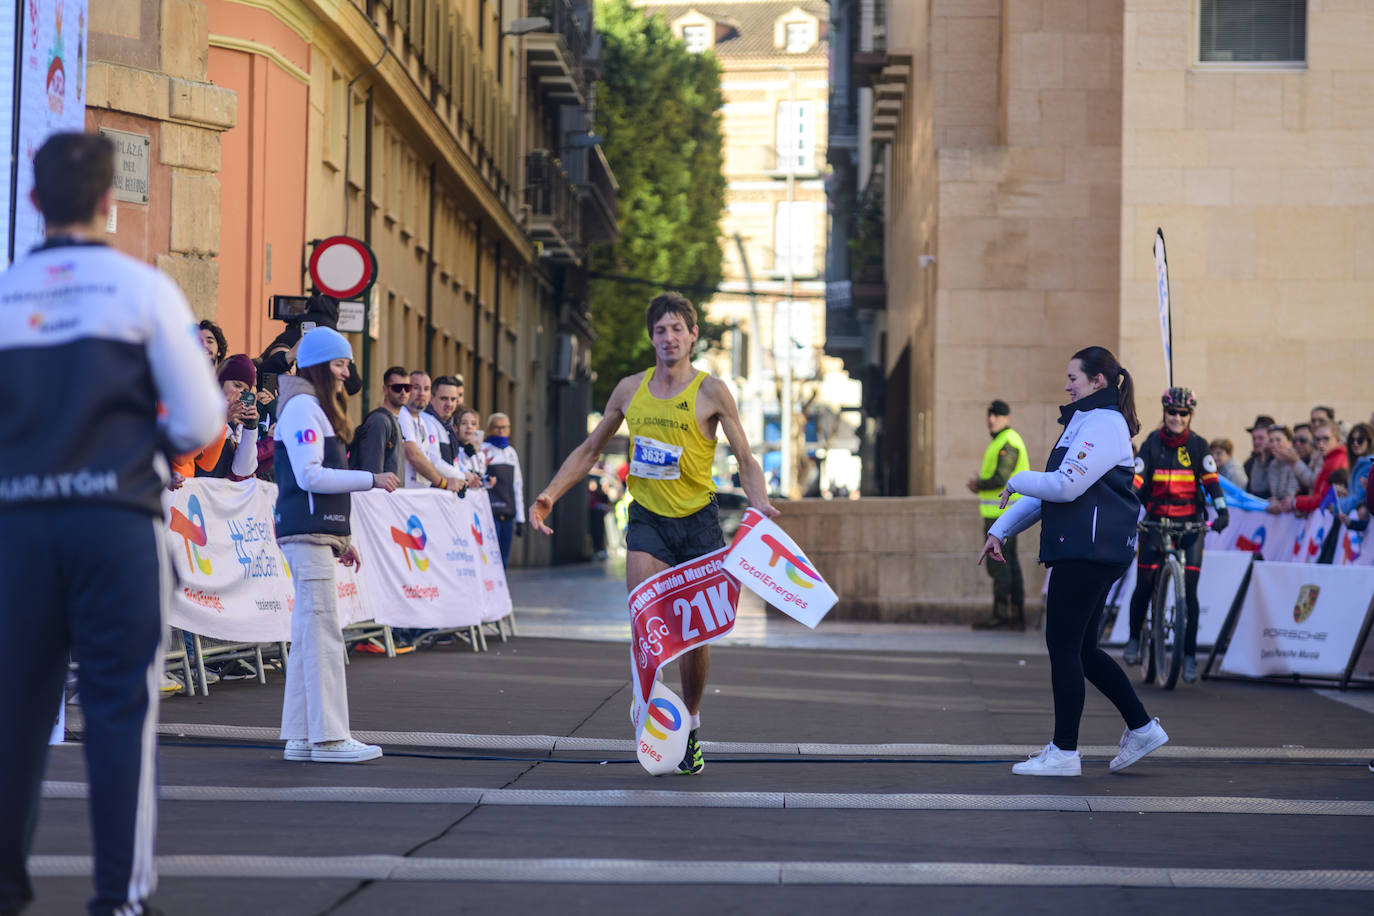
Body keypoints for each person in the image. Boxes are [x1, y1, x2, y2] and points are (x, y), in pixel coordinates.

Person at [0, 132, 226, 916]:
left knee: (12, 712)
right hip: (116, 522)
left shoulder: (5, 294)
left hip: (18, 527)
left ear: (33, 203)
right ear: (109, 202)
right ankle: (116, 899)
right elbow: (200, 419)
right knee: (121, 711)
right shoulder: (143, 291)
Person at [529, 292, 777, 775]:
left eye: (677, 330)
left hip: (699, 521)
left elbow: (746, 457)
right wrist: (550, 494)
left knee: (694, 638)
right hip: (647, 520)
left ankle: (693, 725)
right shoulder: (629, 389)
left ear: (692, 336)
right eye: (660, 330)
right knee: (647, 622)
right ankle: (653, 709)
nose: (668, 338)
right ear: (652, 338)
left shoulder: (712, 391)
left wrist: (760, 503)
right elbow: (590, 448)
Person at [980, 346, 1167, 777]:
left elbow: (1063, 486)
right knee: (1080, 649)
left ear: (1097, 381)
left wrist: (1014, 479)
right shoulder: (1090, 421)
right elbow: (1053, 493)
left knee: (1063, 646)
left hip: (1089, 549)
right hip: (1089, 548)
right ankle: (1140, 727)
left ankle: (1065, 752)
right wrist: (1001, 529)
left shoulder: (1103, 423)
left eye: (1073, 378)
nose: (1066, 384)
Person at [274, 328, 400, 763]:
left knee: (311, 631)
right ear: (323, 365)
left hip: (310, 529)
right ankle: (328, 738)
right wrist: (372, 478)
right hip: (307, 530)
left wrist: (340, 538)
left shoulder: (305, 406)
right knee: (322, 631)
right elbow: (310, 476)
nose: (349, 372)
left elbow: (312, 479)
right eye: (341, 363)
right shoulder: (305, 407)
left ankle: (304, 736)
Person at [1121, 388, 1229, 683]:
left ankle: (1190, 656)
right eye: (1172, 413)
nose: (1177, 418)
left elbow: (1212, 484)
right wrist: (1127, 508)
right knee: (1143, 582)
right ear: (1164, 413)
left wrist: (1222, 512)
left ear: (1190, 416)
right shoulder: (1151, 444)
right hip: (1156, 523)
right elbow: (1138, 481)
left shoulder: (1198, 446)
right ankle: (1133, 638)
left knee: (1189, 593)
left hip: (1190, 526)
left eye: (1183, 414)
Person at [966, 399, 1030, 630]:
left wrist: (978, 484)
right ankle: (1014, 617)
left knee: (1001, 565)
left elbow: (1001, 477)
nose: (991, 419)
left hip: (1004, 515)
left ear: (1007, 418)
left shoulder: (1008, 442)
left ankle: (1005, 616)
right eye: (989, 414)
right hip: (1004, 514)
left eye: (997, 414)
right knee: (1008, 564)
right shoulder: (1000, 441)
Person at [399, 371, 467, 492]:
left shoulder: (422, 421)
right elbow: (415, 456)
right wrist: (446, 483)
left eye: (426, 389)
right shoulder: (403, 415)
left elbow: (428, 459)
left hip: (420, 494)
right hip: (405, 495)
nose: (421, 393)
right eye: (416, 388)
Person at [482, 412, 525, 565]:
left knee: (503, 559)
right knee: (489, 558)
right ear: (489, 429)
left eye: (504, 427)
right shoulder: (483, 449)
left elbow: (517, 486)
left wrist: (520, 519)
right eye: (497, 427)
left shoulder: (511, 453)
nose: (501, 431)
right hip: (489, 513)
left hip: (508, 513)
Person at [349, 366, 408, 476]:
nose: (403, 392)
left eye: (407, 387)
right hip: (379, 493)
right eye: (397, 388)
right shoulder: (380, 421)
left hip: (393, 492)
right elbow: (372, 472)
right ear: (385, 389)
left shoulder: (394, 421)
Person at [1293, 420, 1348, 515]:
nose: (1321, 444)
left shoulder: (1336, 460)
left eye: (1326, 439)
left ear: (1337, 440)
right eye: (1317, 439)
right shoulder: (1329, 459)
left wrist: (1294, 502)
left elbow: (1323, 499)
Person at [1336, 422, 1373, 529]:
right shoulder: (1359, 464)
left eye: (1360, 440)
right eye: (1352, 440)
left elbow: (1359, 498)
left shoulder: (1369, 464)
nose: (1355, 443)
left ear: (1369, 442)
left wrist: (1336, 507)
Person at [1262, 425, 1302, 513]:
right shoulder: (1273, 464)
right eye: (1271, 441)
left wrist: (1278, 503)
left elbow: (1290, 494)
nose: (1274, 444)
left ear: (1290, 442)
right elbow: (1271, 493)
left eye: (1278, 440)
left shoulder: (1295, 462)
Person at [1243, 414, 1275, 499]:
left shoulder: (1279, 461)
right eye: (1254, 439)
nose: (1256, 442)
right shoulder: (1249, 464)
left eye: (1261, 438)